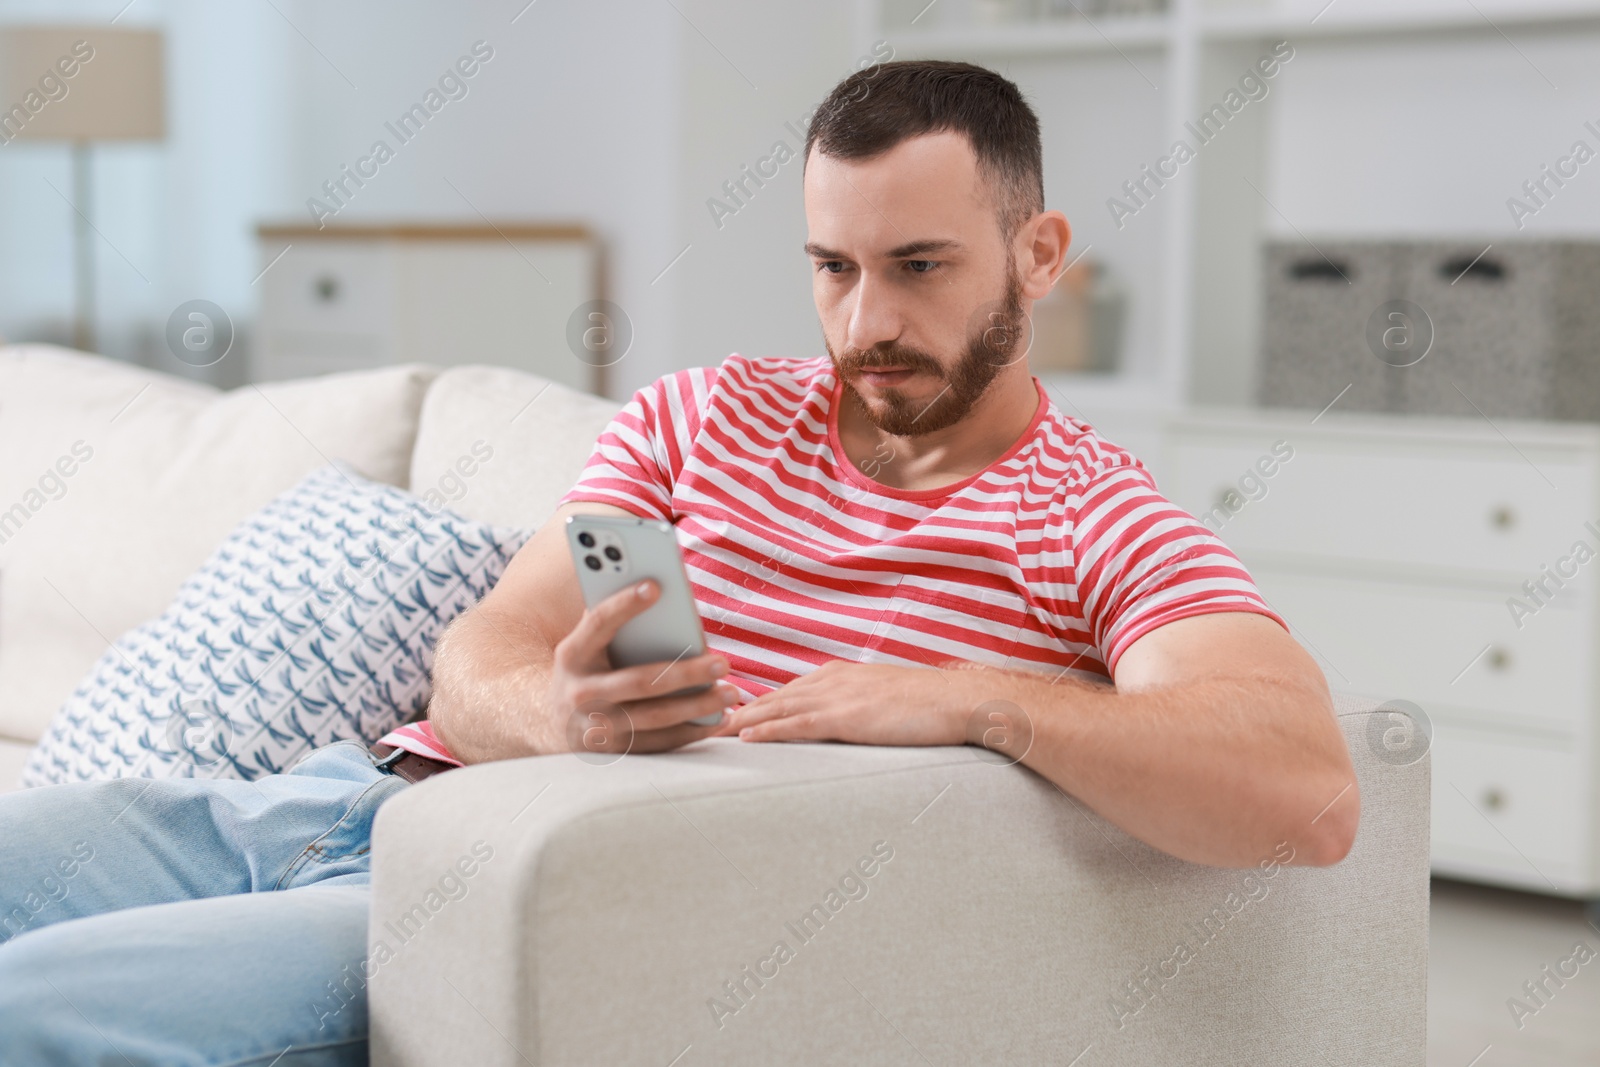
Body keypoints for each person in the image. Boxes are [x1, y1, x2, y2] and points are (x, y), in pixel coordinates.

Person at [0, 60, 1357, 1065]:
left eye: (922, 266)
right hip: (329, 803)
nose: (866, 322)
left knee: (33, 1018)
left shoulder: (1085, 517)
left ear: (1039, 254)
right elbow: (484, 657)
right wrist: (564, 712)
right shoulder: (701, 421)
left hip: (482, 897)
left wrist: (980, 698)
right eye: (833, 267)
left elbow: (1307, 791)